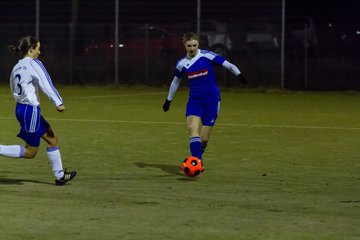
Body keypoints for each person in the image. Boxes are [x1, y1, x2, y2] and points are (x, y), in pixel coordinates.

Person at [162, 32, 247, 168]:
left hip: (211, 101)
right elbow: (175, 81)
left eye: (195, 45)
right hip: (195, 101)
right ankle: (197, 164)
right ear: (184, 45)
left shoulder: (208, 56)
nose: (192, 48)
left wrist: (239, 75)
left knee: (204, 140)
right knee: (191, 129)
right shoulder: (182, 63)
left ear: (198, 44)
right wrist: (168, 100)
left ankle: (197, 155)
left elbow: (228, 65)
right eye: (189, 46)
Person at [0, 36, 77, 185]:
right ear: (30, 49)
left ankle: (60, 176)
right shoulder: (34, 64)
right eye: (38, 48)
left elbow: (13, 87)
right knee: (31, 152)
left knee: (52, 139)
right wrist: (58, 102)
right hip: (30, 111)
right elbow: (46, 82)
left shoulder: (17, 66)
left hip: (22, 109)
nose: (39, 52)